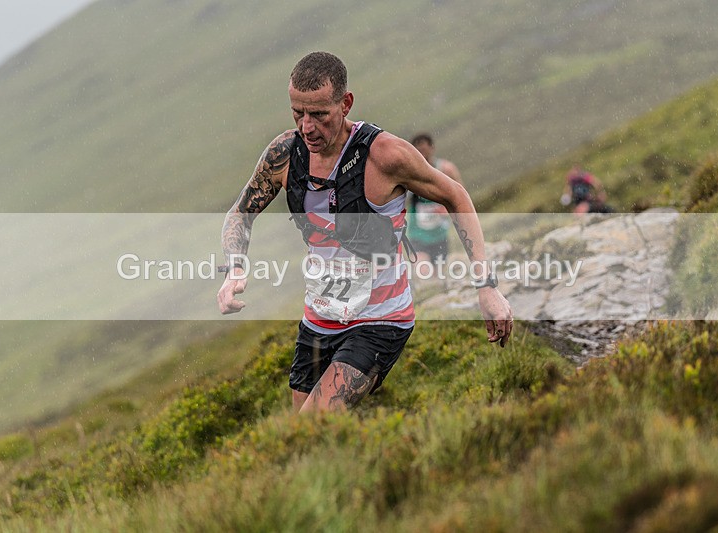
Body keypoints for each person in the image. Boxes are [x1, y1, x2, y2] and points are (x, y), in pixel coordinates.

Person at [218, 51, 513, 413]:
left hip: (380, 320)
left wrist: (487, 286)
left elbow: (456, 195)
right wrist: (234, 269)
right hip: (319, 318)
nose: (307, 127)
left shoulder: (385, 156)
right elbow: (240, 214)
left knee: (309, 428)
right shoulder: (285, 153)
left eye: (319, 115)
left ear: (346, 103)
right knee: (301, 444)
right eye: (298, 113)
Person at [407, 133, 463, 273]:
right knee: (423, 270)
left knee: (439, 272)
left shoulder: (446, 169)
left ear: (432, 148)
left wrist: (448, 210)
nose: (422, 154)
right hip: (417, 233)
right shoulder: (407, 172)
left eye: (424, 150)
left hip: (439, 233)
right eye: (418, 151)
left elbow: (460, 196)